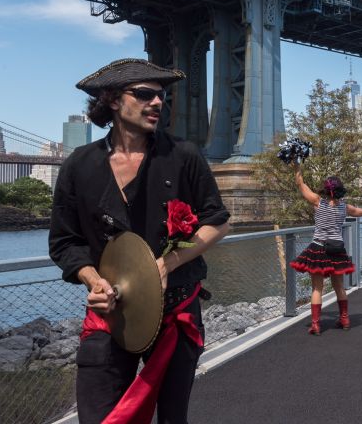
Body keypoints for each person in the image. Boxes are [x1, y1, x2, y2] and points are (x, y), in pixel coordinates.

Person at [48, 58, 231, 424]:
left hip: (175, 311)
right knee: (101, 417)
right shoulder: (79, 165)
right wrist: (92, 280)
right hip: (110, 316)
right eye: (145, 94)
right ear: (113, 100)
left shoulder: (183, 156)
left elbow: (217, 222)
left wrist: (167, 265)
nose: (158, 103)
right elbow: (65, 241)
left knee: (172, 419)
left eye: (162, 96)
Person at [289, 166, 362, 334]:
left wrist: (296, 165)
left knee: (317, 289)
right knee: (339, 287)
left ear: (325, 190)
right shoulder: (344, 207)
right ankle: (345, 319)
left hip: (318, 247)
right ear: (340, 190)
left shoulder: (318, 202)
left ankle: (316, 324)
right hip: (337, 249)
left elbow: (300, 183)